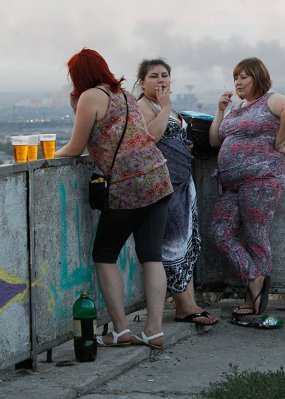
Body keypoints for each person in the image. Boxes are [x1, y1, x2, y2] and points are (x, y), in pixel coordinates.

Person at [55, 48, 173, 350]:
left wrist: (47, 156)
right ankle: (154, 330)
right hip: (158, 179)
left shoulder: (90, 97)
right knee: (151, 257)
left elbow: (75, 146)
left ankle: (121, 331)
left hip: (128, 186)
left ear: (78, 75)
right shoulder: (123, 94)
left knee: (105, 255)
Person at [208, 57, 285, 316]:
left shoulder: (270, 100)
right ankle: (254, 278)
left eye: (244, 77)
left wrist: (278, 141)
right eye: (236, 77)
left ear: (258, 78)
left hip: (261, 178)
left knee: (255, 237)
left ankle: (254, 301)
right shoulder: (236, 108)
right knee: (218, 231)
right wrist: (220, 110)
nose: (238, 82)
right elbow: (215, 140)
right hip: (231, 183)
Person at [135, 58, 218, 326]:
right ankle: (183, 305)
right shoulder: (143, 107)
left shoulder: (165, 108)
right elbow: (150, 137)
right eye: (154, 76)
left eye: (165, 76)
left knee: (187, 244)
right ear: (142, 82)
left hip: (183, 183)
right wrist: (167, 106)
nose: (161, 81)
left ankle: (189, 303)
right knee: (172, 244)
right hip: (163, 187)